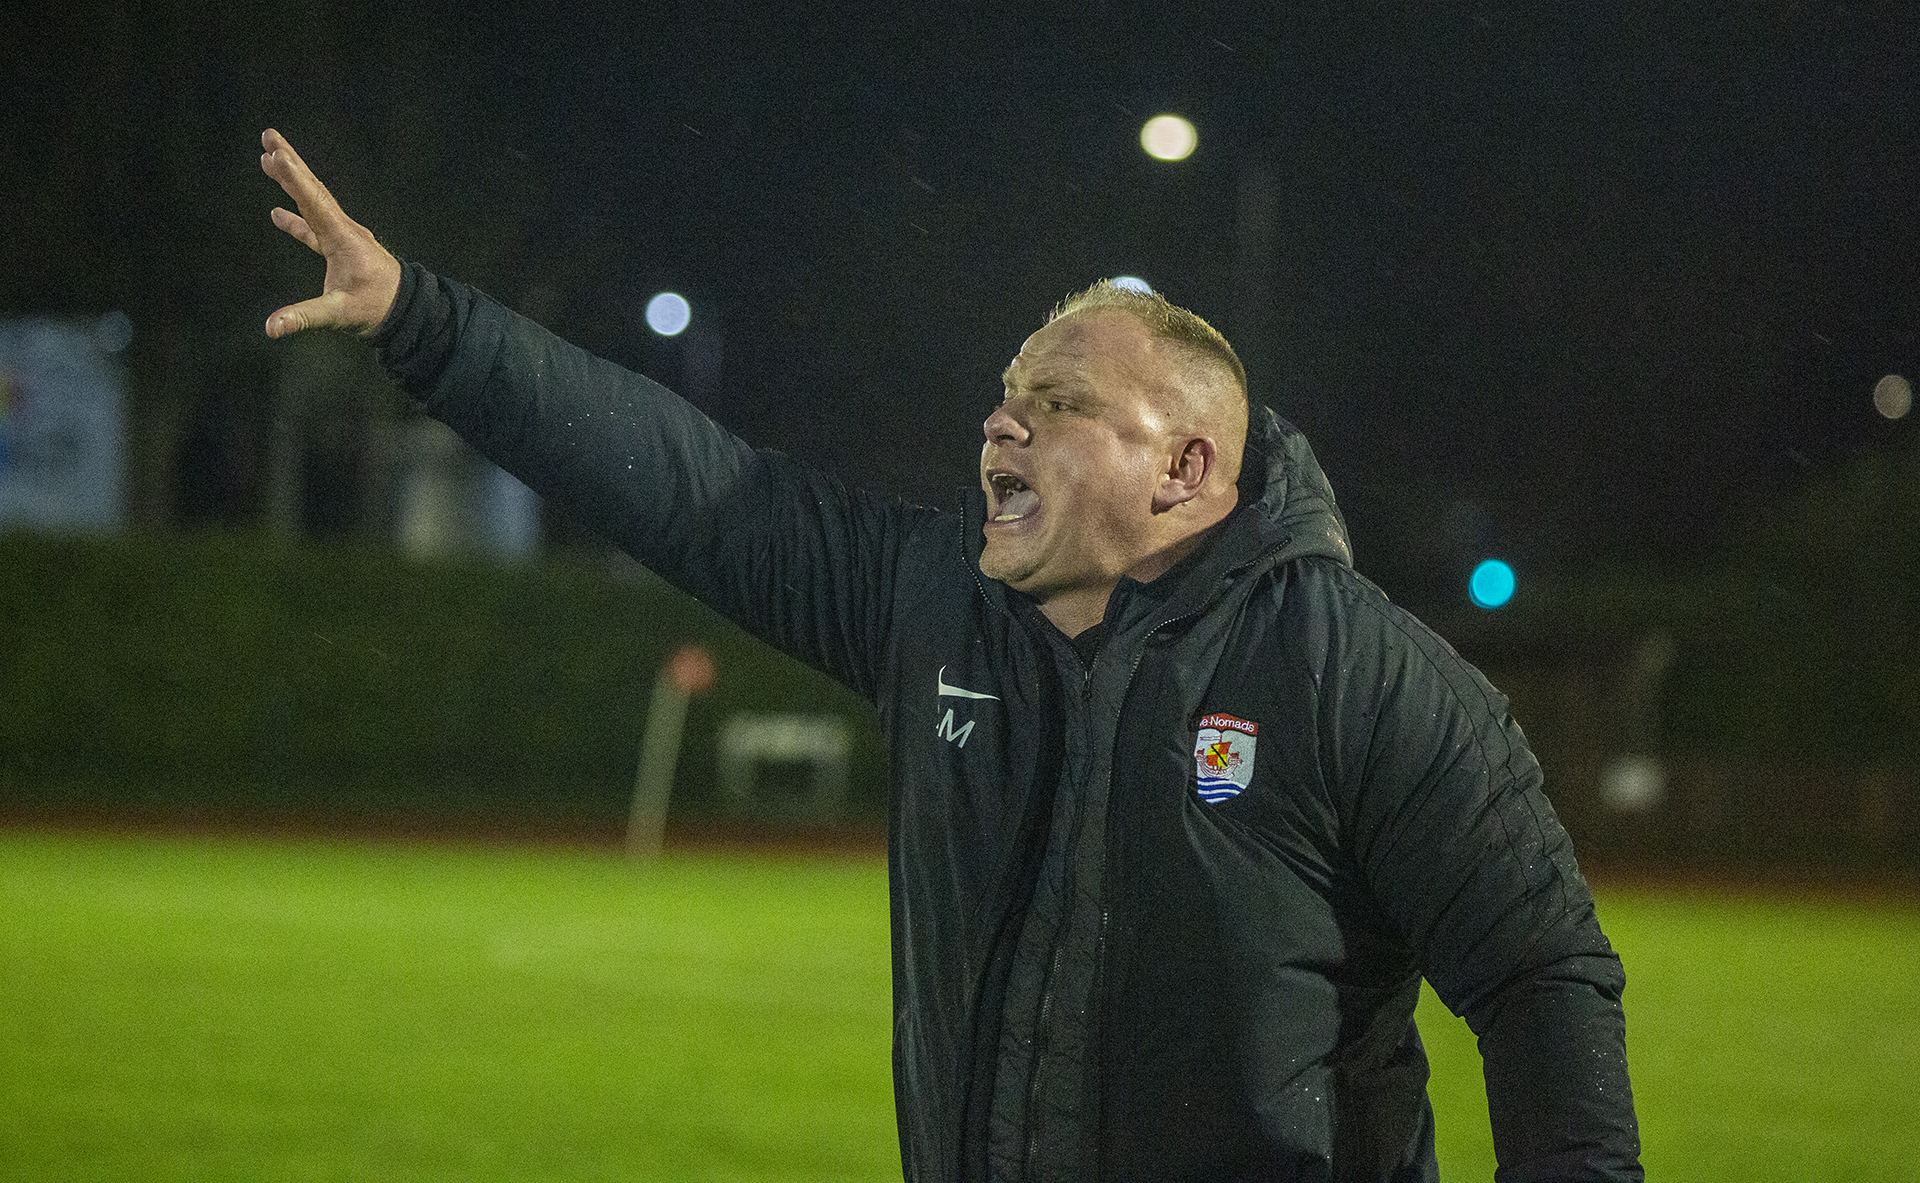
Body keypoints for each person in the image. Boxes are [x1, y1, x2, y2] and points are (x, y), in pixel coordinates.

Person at [260, 128, 1641, 1181]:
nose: (1002, 425)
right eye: (1001, 397)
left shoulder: (1353, 669)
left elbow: (1538, 974)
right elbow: (684, 489)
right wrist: (421, 320)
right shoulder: (933, 606)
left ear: (1187, 466)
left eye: (1059, 401)